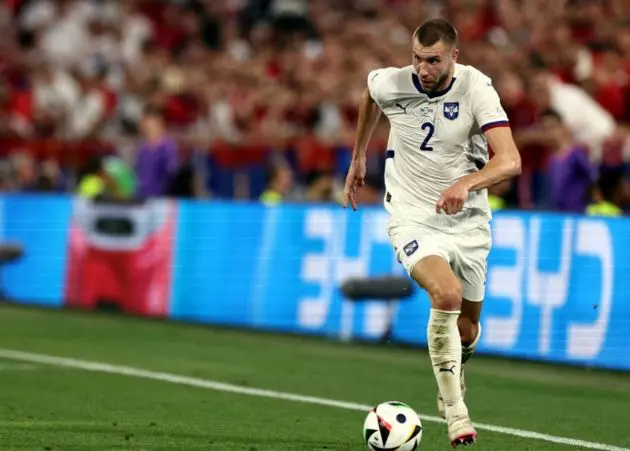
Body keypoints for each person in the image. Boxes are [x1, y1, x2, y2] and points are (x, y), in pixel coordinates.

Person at [342, 19, 521, 447]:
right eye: (417, 59)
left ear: (454, 57)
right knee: (446, 295)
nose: (422, 69)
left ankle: (456, 367)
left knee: (467, 330)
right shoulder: (395, 82)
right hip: (412, 215)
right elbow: (370, 92)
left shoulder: (477, 89)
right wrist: (359, 155)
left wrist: (466, 183)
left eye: (433, 60)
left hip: (468, 219)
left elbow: (510, 160)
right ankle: (456, 414)